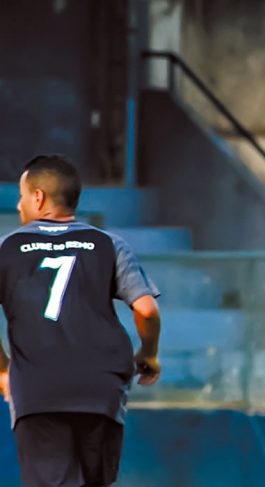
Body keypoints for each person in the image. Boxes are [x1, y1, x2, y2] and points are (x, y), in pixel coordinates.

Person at [0, 155, 162, 487]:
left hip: (37, 389)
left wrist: (3, 369)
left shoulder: (6, 248)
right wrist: (149, 354)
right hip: (101, 389)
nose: (18, 206)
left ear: (38, 198)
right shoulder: (110, 244)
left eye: (21, 195)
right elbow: (146, 310)